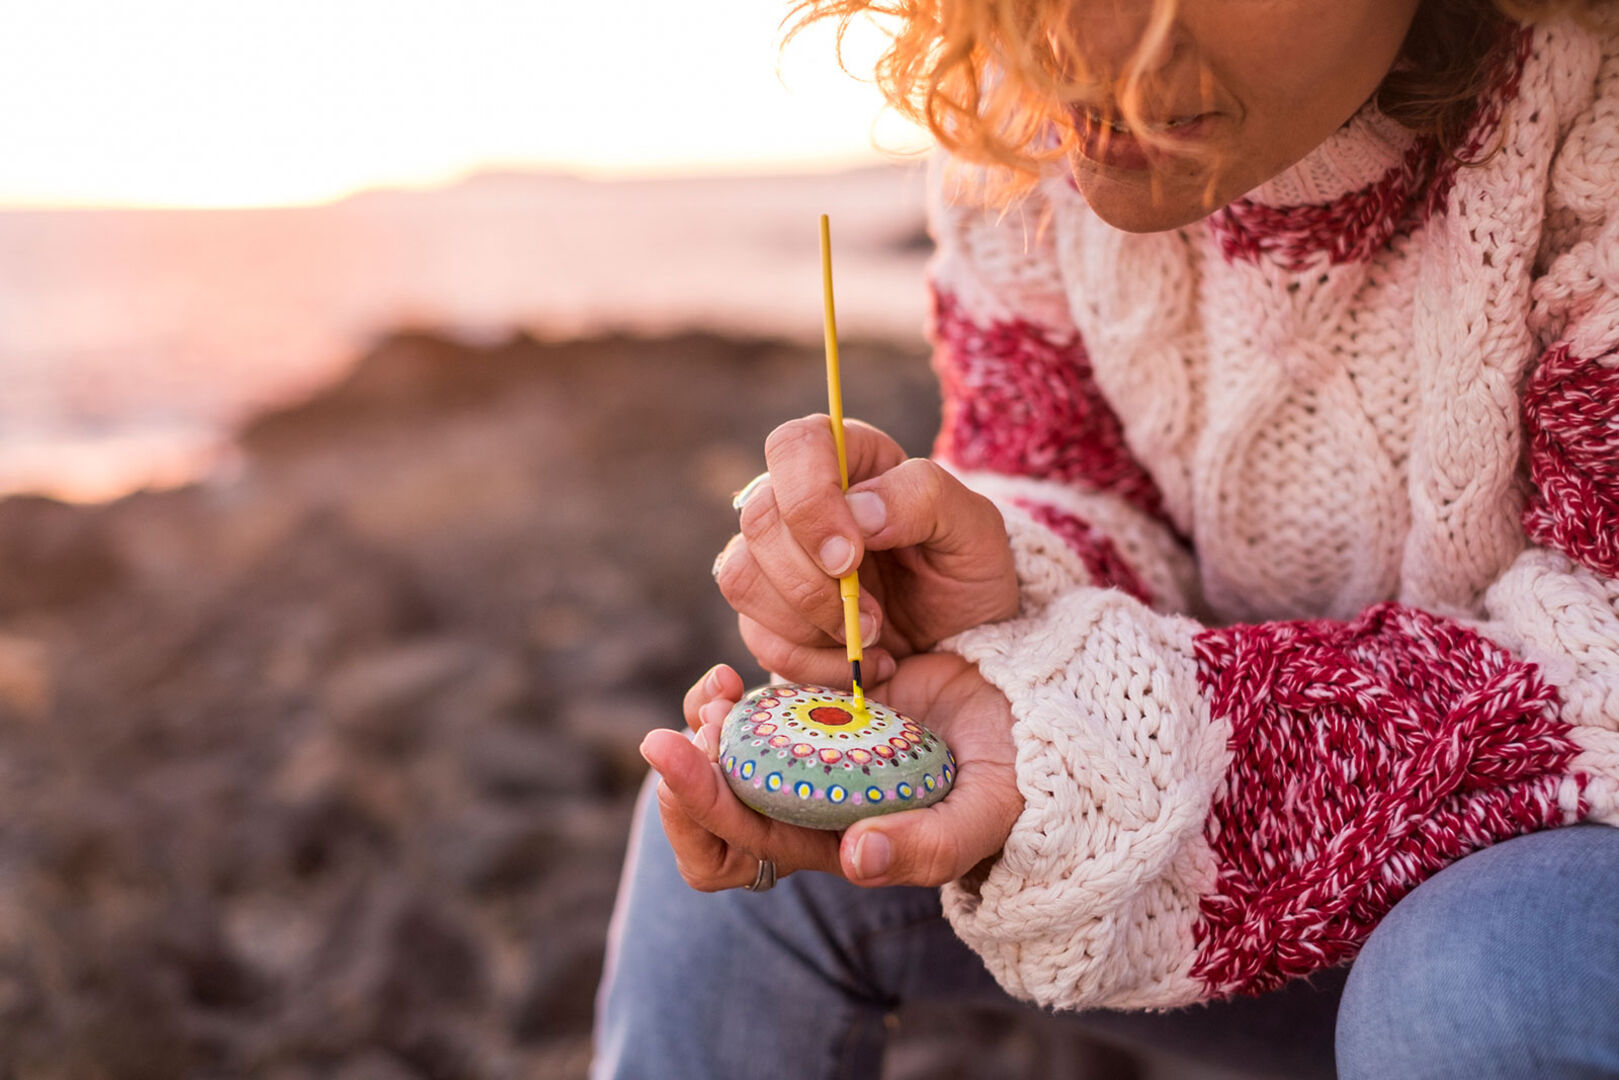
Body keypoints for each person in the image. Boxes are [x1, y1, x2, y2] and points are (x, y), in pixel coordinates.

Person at [595, 0, 1619, 1076]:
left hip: (1544, 877)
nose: (1076, 46)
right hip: (1270, 857)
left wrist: (1093, 733)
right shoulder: (1025, 110)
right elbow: (1070, 479)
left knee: (1468, 987)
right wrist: (987, 589)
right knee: (741, 839)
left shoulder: (1591, 125)